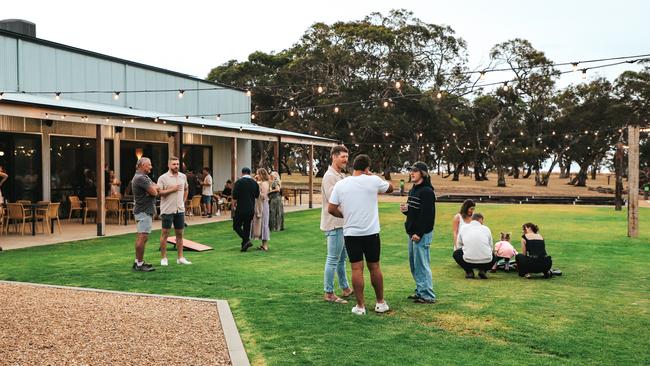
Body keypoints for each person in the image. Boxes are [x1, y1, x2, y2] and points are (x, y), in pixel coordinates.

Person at [328, 154, 394, 315]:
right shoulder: (373, 180)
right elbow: (391, 188)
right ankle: (380, 303)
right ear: (367, 168)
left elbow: (331, 208)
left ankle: (360, 306)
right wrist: (373, 176)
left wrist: (345, 215)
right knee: (375, 267)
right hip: (371, 232)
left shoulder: (341, 184)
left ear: (353, 167)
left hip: (351, 233)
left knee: (356, 268)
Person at [320, 145, 353, 304]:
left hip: (342, 223)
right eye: (343, 157)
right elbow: (334, 198)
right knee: (333, 259)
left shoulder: (340, 175)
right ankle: (329, 292)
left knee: (341, 260)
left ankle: (345, 288)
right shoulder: (329, 176)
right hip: (334, 223)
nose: (346, 160)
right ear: (334, 156)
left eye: (347, 157)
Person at [400, 162, 437, 304]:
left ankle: (428, 295)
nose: (412, 173)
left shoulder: (427, 192)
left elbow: (427, 216)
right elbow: (415, 212)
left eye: (415, 171)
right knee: (414, 264)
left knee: (422, 264)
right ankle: (420, 290)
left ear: (423, 173)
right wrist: (406, 211)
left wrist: (419, 233)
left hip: (421, 234)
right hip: (412, 233)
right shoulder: (413, 189)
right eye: (411, 171)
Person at [157, 156, 191, 266]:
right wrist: (173, 189)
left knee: (180, 234)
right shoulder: (163, 178)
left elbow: (186, 189)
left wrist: (183, 201)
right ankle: (164, 258)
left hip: (179, 210)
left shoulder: (183, 176)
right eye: (174, 164)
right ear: (168, 165)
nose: (176, 166)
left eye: (177, 164)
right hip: (167, 210)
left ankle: (180, 258)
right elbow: (159, 193)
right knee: (165, 234)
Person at [131, 157, 159, 272]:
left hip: (143, 210)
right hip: (143, 211)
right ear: (142, 166)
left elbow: (155, 188)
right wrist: (153, 189)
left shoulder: (142, 177)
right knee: (143, 237)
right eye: (149, 165)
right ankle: (139, 263)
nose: (151, 167)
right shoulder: (141, 178)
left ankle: (138, 261)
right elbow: (155, 191)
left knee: (142, 237)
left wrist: (153, 188)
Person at [453, 213, 496, 279]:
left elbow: (458, 245)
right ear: (480, 219)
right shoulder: (486, 229)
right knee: (494, 255)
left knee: (456, 253)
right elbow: (491, 246)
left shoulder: (463, 228)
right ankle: (483, 270)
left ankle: (469, 271)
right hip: (486, 261)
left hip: (468, 260)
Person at [232, 167, 260, 252]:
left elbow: (234, 196)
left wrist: (233, 206)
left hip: (241, 208)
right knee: (247, 227)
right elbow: (257, 195)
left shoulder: (238, 182)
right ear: (250, 173)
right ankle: (244, 245)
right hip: (251, 208)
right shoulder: (254, 183)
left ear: (242, 173)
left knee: (236, 226)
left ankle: (246, 240)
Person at [251, 168, 271, 251]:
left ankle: (265, 245)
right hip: (261, 204)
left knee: (264, 223)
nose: (256, 175)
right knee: (262, 223)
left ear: (261, 175)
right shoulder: (262, 183)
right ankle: (263, 244)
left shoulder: (264, 184)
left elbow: (263, 195)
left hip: (263, 205)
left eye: (258, 174)